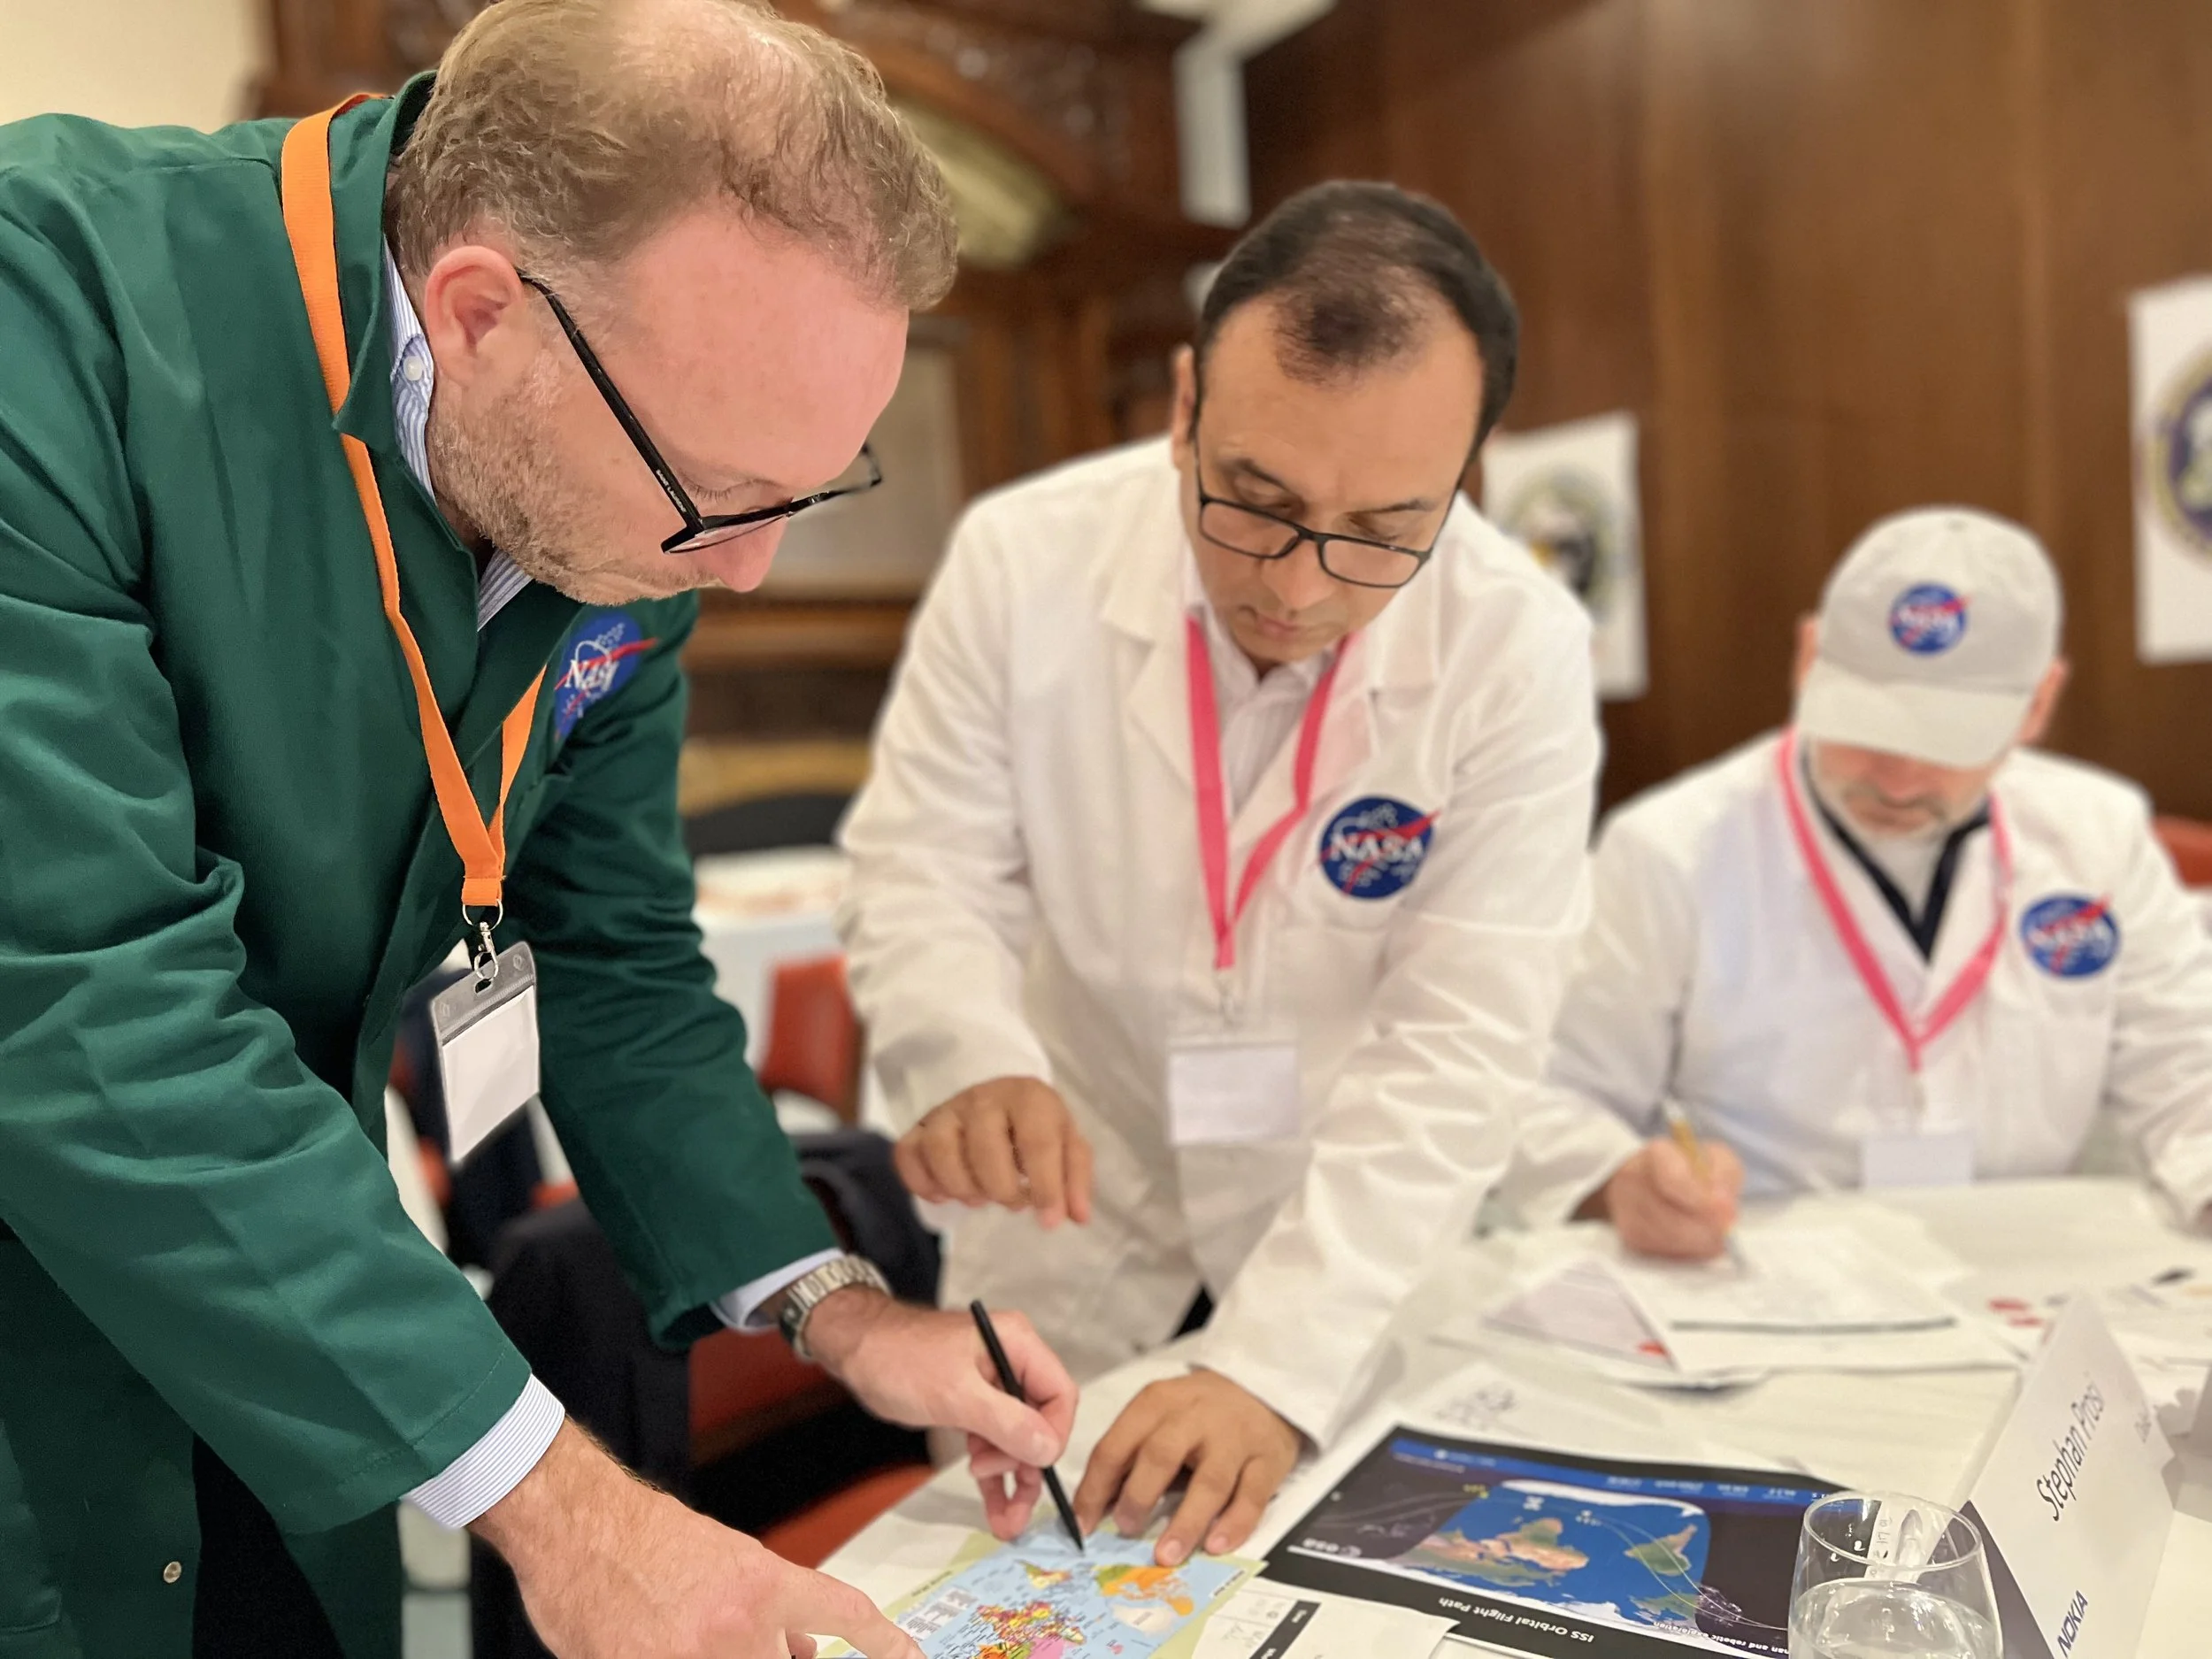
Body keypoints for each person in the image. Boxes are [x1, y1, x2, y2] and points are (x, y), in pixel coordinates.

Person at [0, 4, 1076, 1655]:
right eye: (722, 497)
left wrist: (833, 1308)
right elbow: (76, 996)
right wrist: (562, 1508)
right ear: (482, 309)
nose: (751, 571)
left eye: (806, 492)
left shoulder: (627, 477)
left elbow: (606, 941)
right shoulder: (46, 305)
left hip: (309, 1310)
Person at [836, 182, 1602, 1567]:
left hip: (1342, 1211)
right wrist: (964, 1048)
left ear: (1466, 476)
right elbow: (925, 860)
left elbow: (1465, 1037)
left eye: (1380, 530)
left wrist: (1275, 1360)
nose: (1300, 586)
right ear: (1185, 406)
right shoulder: (1025, 563)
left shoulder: (1518, 645)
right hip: (1080, 1184)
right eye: (1254, 501)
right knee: (1024, 1572)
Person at [1508, 508, 2212, 1257]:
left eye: (1947, 740)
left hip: (2030, 1269)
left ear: (2038, 703)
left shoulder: (2100, 835)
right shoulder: (1669, 848)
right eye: (1866, 726)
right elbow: (1553, 1094)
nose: (1900, 778)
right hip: (1767, 1272)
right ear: (1808, 660)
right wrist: (1619, 1179)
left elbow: (2189, 1072)